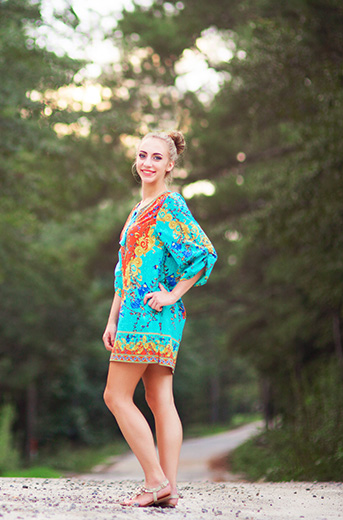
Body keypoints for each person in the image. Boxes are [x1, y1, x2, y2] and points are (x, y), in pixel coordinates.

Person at [102, 130, 217, 508]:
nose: (147, 163)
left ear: (170, 165)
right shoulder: (137, 210)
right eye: (142, 155)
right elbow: (124, 271)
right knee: (157, 397)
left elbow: (203, 254)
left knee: (116, 395)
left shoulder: (168, 205)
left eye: (156, 158)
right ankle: (168, 489)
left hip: (151, 313)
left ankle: (155, 480)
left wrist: (172, 294)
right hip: (136, 313)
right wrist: (111, 319)